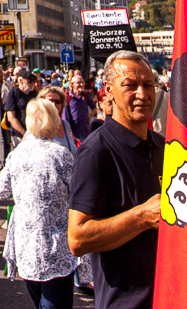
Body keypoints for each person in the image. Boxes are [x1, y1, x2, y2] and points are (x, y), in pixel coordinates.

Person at [68, 50, 164, 308]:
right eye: (130, 86)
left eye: (148, 85)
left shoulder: (165, 147)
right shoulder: (96, 151)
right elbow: (77, 239)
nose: (142, 94)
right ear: (109, 91)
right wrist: (141, 216)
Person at [0, 98, 78, 308]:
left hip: (27, 243)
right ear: (54, 123)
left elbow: (2, 190)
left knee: (41, 301)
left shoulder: (17, 154)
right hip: (56, 245)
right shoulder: (61, 155)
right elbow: (76, 192)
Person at [38, 84, 77, 154]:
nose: (53, 104)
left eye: (57, 101)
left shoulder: (66, 125)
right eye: (50, 101)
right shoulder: (37, 126)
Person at [5, 68, 37, 144]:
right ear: (21, 81)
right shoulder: (14, 93)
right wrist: (24, 134)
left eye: (33, 81)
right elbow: (11, 117)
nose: (32, 84)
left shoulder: (34, 93)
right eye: (29, 81)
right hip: (19, 134)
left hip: (34, 134)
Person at [63, 73, 96, 142]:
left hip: (85, 131)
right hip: (74, 133)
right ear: (72, 84)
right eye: (78, 83)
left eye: (82, 82)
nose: (81, 84)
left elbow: (94, 107)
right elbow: (65, 117)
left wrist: (90, 115)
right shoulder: (67, 96)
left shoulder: (85, 94)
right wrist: (70, 132)